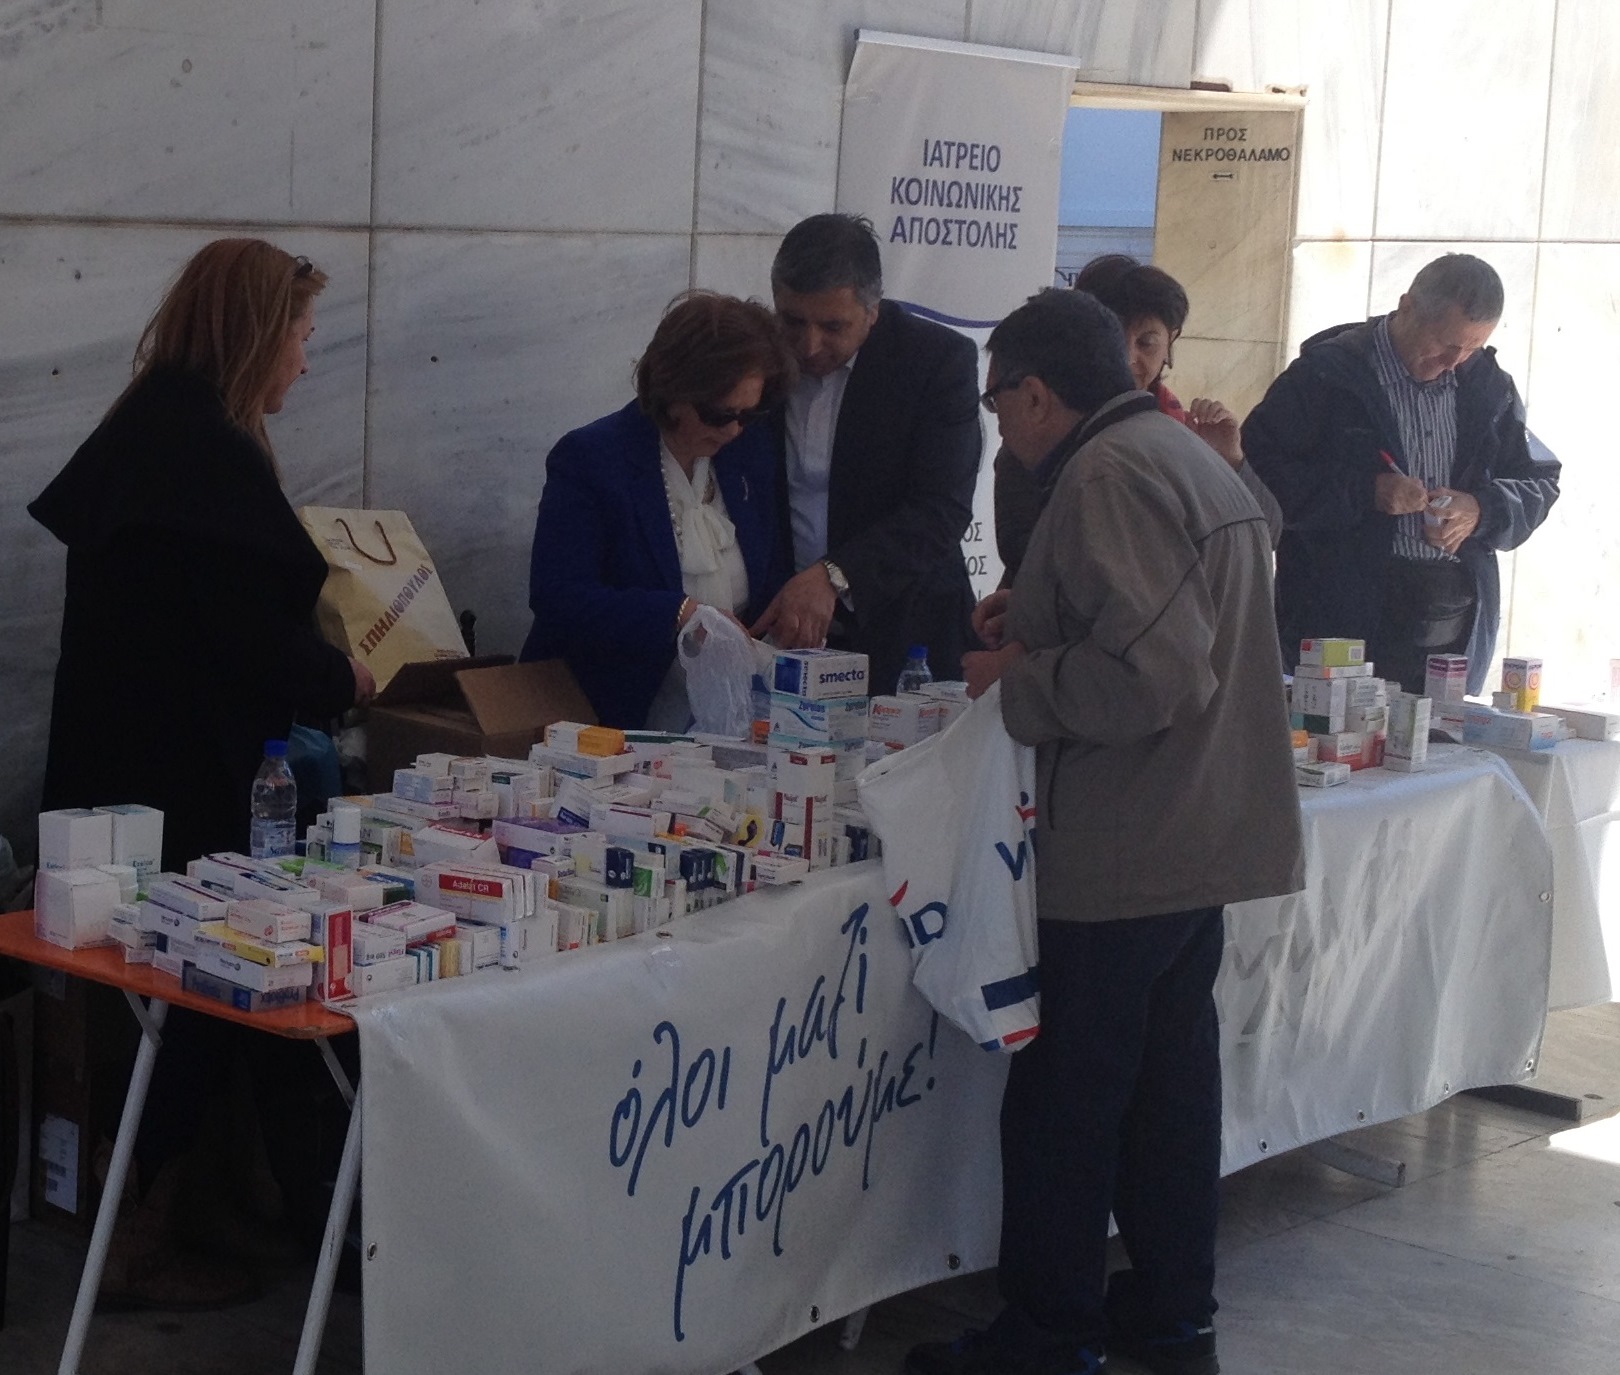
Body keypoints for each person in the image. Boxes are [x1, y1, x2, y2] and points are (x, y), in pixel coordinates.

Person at [911, 290, 1303, 1375]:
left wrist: (1017, 679)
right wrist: (1039, 614)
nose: (1001, 427)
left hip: (1127, 843)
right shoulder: (1178, 453)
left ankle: (1048, 1335)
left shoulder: (1105, 475)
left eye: (1000, 403)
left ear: (1037, 394)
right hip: (1197, 834)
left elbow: (1155, 673)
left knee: (1067, 1106)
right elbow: (1169, 619)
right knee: (1170, 1095)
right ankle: (1173, 1318)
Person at [29, 237, 373, 1306]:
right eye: (301, 334)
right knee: (191, 995)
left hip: (123, 776)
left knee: (187, 1004)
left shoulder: (151, 427)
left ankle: (193, 1201)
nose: (306, 359)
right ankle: (142, 1232)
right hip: (181, 790)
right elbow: (246, 638)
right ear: (256, 334)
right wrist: (343, 678)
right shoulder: (207, 456)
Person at [1242, 253, 1561, 692]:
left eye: (1471, 348)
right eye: (1445, 343)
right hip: (1338, 618)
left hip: (1451, 627)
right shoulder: (1326, 375)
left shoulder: (1487, 386)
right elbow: (1260, 470)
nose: (1454, 361)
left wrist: (1481, 510)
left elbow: (1538, 480)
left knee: (1441, 736)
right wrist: (1365, 491)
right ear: (1406, 306)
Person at [520, 291, 794, 728]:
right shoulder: (591, 458)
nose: (733, 430)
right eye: (719, 414)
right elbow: (558, 597)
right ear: (675, 391)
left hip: (724, 719)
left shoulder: (747, 454)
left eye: (748, 414)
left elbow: (768, 573)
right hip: (607, 718)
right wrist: (677, 613)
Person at [754, 213, 982, 693]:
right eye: (793, 321)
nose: (809, 346)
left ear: (873, 312)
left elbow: (941, 508)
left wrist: (836, 576)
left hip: (905, 633)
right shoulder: (759, 352)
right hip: (779, 633)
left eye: (832, 326)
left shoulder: (935, 362)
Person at [995, 254, 1281, 584]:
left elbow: (1265, 533)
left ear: (1171, 341)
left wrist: (1230, 462)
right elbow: (1022, 548)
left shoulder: (1185, 429)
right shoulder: (1048, 426)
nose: (1129, 358)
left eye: (1147, 342)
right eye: (1115, 339)